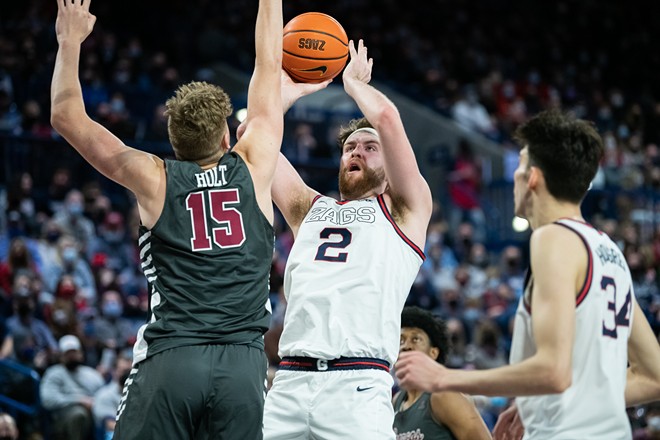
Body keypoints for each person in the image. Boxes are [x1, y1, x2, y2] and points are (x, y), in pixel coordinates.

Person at [50, 0, 283, 438]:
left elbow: (66, 117)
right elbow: (268, 62)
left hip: (176, 356)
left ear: (173, 142)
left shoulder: (154, 178)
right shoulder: (254, 164)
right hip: (244, 366)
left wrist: (69, 42)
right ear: (226, 134)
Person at [395, 109, 660, 439]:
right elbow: (653, 377)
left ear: (533, 176)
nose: (516, 177)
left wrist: (443, 378)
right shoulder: (610, 252)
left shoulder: (552, 238)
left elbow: (553, 371)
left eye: (520, 165)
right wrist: (540, 404)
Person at [262, 40, 433, 439]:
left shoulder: (407, 210)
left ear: (390, 166)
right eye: (350, 147)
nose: (357, 151)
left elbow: (387, 118)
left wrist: (353, 84)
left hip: (357, 384)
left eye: (370, 147)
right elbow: (251, 140)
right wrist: (284, 96)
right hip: (289, 381)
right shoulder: (308, 207)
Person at [394, 306, 491, 440]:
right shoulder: (396, 401)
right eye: (401, 341)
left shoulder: (443, 396)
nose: (405, 346)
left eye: (415, 339)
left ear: (433, 352)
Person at [40, 335, 105, 440]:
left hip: (92, 415)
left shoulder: (92, 374)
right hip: (62, 417)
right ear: (61, 356)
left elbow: (104, 396)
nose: (71, 356)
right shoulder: (53, 373)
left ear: (81, 354)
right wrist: (79, 400)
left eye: (74, 352)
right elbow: (48, 400)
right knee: (78, 413)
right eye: (68, 353)